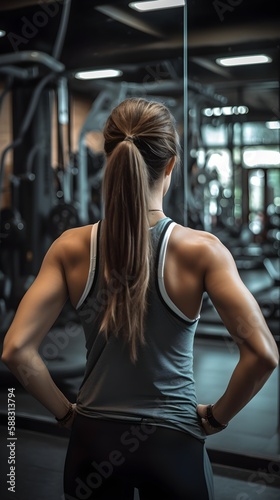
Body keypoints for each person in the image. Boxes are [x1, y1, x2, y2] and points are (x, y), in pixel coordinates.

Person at [1, 97, 279, 500]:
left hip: (91, 443)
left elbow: (15, 350)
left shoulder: (69, 247)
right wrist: (217, 418)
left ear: (110, 158)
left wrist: (65, 413)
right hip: (172, 444)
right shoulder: (203, 250)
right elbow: (263, 354)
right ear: (169, 166)